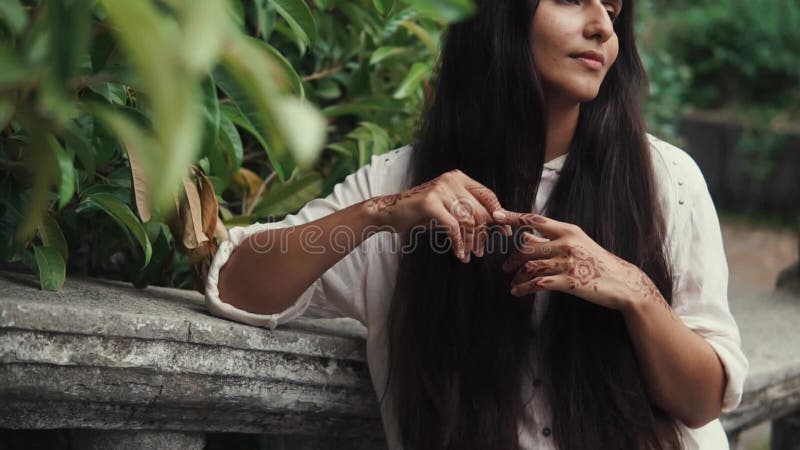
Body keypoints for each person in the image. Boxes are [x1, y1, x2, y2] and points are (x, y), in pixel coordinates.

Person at [204, 0, 749, 448]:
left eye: (611, 6)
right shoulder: (405, 184)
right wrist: (378, 215)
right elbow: (237, 284)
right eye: (570, 0)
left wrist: (635, 292)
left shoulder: (666, 181)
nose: (602, 26)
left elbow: (702, 402)